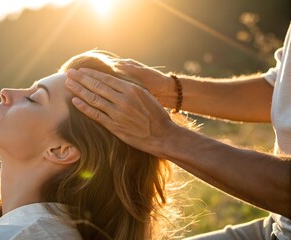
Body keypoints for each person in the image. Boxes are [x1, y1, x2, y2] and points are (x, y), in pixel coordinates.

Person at [64, 24, 291, 239]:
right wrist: (168, 89)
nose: (26, 90)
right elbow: (280, 88)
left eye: (36, 98)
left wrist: (163, 136)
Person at [0, 50, 184, 240]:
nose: (6, 92)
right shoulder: (25, 228)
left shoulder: (19, 235)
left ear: (61, 150)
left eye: (33, 99)